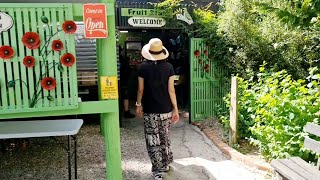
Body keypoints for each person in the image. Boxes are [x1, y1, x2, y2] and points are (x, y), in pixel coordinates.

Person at [136, 38, 180, 180]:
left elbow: (140, 89)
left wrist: (138, 104)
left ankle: (157, 170)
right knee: (164, 137)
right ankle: (165, 164)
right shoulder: (169, 67)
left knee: (152, 139)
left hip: (150, 110)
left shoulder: (142, 67)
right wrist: (176, 109)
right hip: (166, 109)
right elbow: (171, 90)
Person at [119, 46, 135, 119]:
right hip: (124, 81)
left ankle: (121, 110)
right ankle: (125, 111)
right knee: (125, 96)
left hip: (116, 80)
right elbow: (128, 70)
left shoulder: (113, 58)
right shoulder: (123, 60)